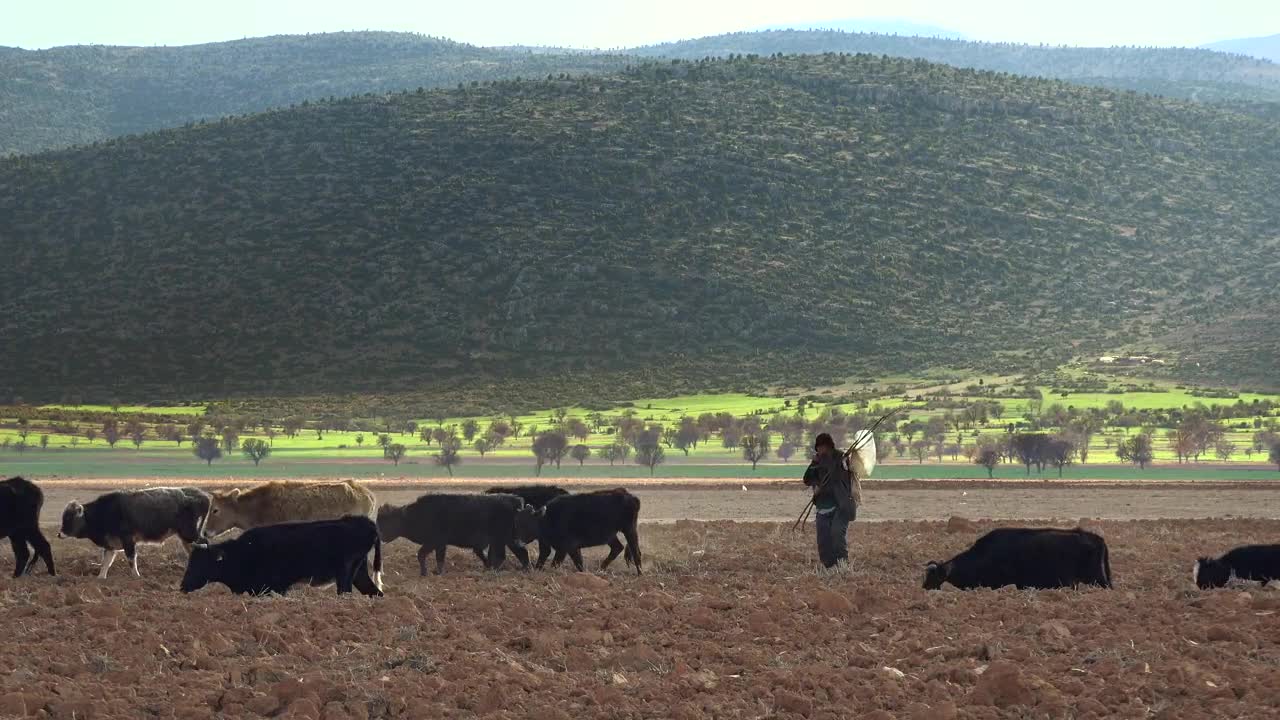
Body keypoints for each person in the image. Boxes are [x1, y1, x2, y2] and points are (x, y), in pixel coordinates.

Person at [802, 432, 856, 568]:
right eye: (819, 448)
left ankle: (842, 566)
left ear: (828, 446)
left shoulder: (841, 458)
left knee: (837, 534)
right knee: (823, 541)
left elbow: (841, 480)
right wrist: (814, 466)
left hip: (840, 505)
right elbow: (807, 479)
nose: (821, 451)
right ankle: (829, 567)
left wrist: (823, 488)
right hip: (822, 506)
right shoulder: (817, 460)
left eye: (823, 447)